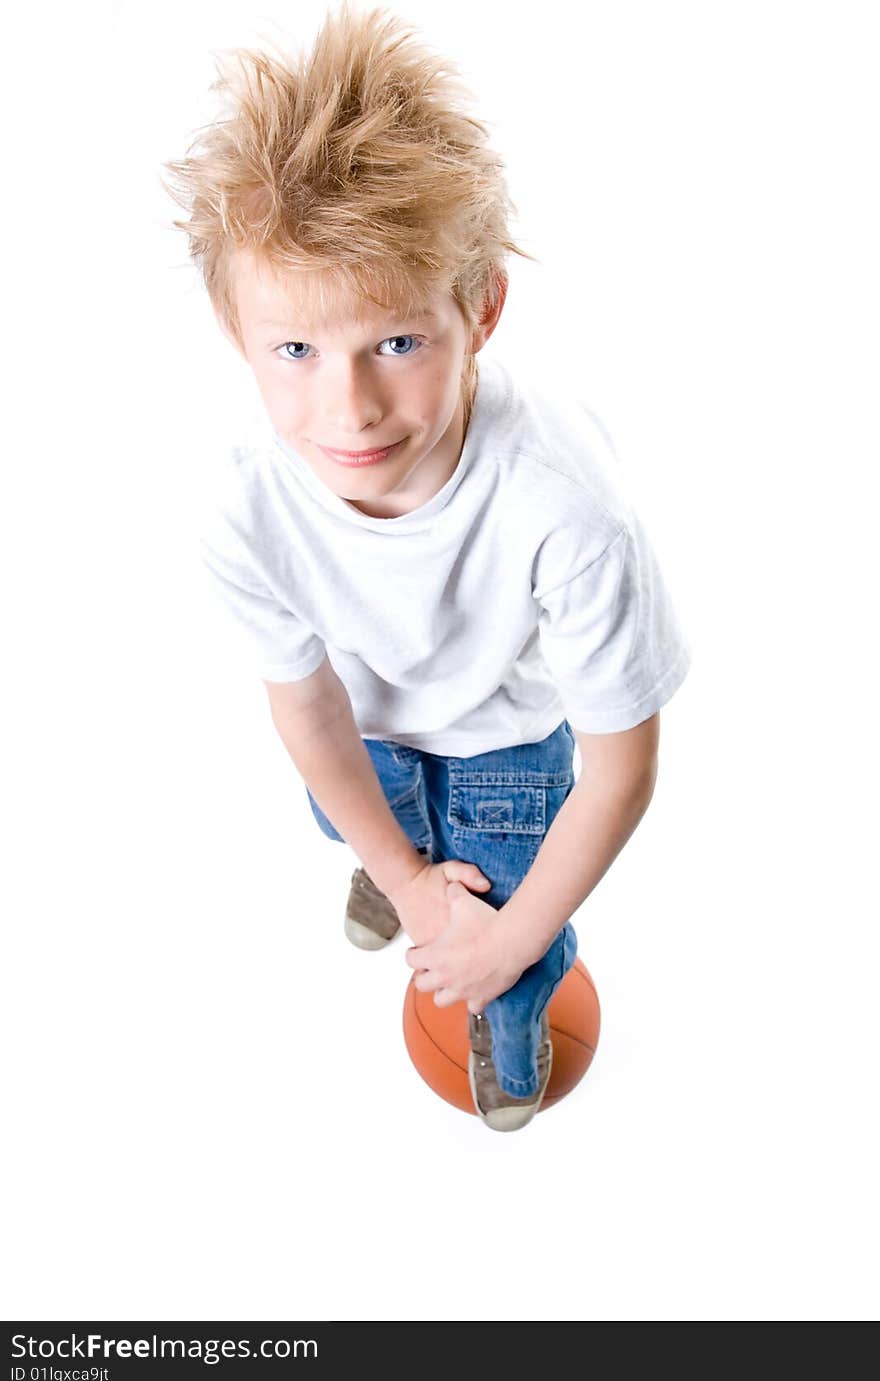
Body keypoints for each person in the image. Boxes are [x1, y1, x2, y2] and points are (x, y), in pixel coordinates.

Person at [161, 1, 692, 1132]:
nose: (346, 407)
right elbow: (305, 707)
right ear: (233, 324)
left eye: (396, 341)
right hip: (365, 739)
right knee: (346, 816)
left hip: (506, 749)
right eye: (295, 349)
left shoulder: (568, 509)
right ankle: (395, 860)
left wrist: (501, 938)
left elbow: (619, 770)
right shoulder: (243, 503)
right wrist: (403, 876)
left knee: (505, 934)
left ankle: (508, 1018)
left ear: (481, 307)